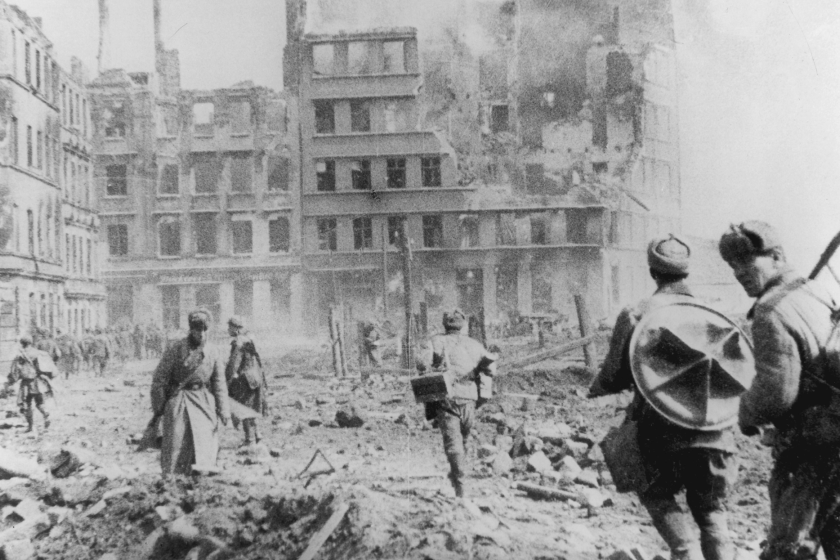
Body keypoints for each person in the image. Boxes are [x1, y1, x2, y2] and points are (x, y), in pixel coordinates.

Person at [588, 234, 738, 560]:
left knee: (655, 491)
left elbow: (614, 377)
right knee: (711, 507)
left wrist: (598, 387)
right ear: (686, 273)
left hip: (660, 425)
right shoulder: (715, 312)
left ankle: (686, 553)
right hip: (714, 425)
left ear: (653, 272)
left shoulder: (637, 313)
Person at [719, 222, 838, 560]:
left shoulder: (771, 311)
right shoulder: (815, 291)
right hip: (835, 435)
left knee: (787, 548)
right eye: (733, 266)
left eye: (747, 261)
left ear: (776, 257)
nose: (739, 272)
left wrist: (745, 412)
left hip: (812, 448)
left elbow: (777, 392)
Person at [418, 309, 496, 498]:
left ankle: (460, 487)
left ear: (445, 324)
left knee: (453, 443)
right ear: (462, 325)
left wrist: (434, 368)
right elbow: (491, 369)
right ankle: (459, 476)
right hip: (470, 398)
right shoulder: (474, 344)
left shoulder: (436, 341)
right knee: (464, 437)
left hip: (447, 398)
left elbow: (421, 364)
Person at [151, 309, 230, 476]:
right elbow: (159, 378)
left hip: (203, 400)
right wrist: (160, 407)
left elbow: (219, 382)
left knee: (206, 438)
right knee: (176, 440)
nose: (201, 334)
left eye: (204, 330)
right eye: (197, 330)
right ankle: (172, 478)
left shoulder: (213, 351)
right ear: (191, 329)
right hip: (180, 399)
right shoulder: (176, 349)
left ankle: (203, 477)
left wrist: (224, 411)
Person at [225, 316, 267, 447]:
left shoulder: (238, 342)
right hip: (256, 377)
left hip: (246, 379)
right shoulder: (249, 339)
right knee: (253, 407)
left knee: (245, 408)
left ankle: (250, 441)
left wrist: (227, 380)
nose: (228, 330)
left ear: (235, 328)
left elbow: (233, 365)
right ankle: (257, 435)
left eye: (230, 327)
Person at [5, 335, 53, 433]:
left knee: (26, 405)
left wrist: (10, 382)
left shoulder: (20, 355)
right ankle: (46, 413)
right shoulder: (38, 353)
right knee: (40, 403)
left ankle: (31, 427)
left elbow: (15, 371)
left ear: (22, 343)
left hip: (26, 384)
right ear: (31, 343)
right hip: (39, 382)